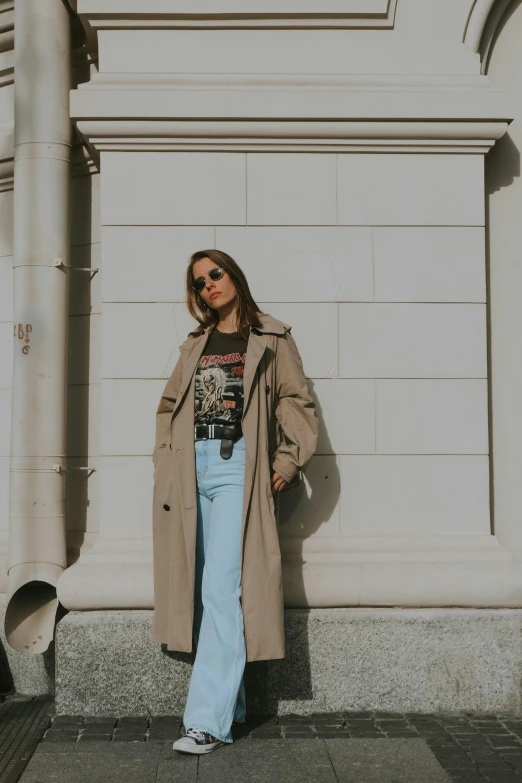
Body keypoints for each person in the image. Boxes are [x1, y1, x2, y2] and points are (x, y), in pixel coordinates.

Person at [151, 249, 319, 754]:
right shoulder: (195, 344)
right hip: (189, 470)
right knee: (205, 589)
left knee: (221, 589)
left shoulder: (271, 337)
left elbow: (297, 400)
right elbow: (169, 406)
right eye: (200, 282)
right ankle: (233, 706)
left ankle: (205, 721)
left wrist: (285, 463)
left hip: (235, 466)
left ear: (235, 276)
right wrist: (165, 458)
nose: (209, 286)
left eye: (216, 274)